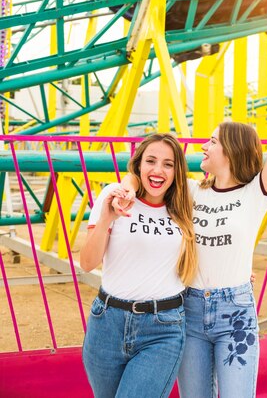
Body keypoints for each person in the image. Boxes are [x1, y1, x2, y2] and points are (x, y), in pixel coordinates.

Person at [119, 47, 267, 398]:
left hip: (236, 316)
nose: (203, 146)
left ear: (229, 151)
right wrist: (126, 186)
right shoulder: (190, 191)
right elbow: (144, 175)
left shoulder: (255, 192)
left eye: (212, 141)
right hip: (189, 306)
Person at [80, 133, 197, 398]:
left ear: (177, 170)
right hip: (107, 323)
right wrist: (106, 218)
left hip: (162, 329)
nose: (158, 170)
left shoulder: (187, 202)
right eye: (151, 161)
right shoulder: (114, 197)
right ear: (139, 165)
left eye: (168, 164)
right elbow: (87, 263)